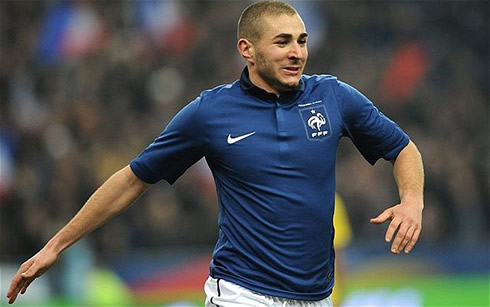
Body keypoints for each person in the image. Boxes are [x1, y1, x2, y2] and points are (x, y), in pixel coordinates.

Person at [6, 1, 424, 306]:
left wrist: (412, 200)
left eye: (301, 40)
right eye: (282, 42)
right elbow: (133, 179)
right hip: (242, 295)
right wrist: (57, 245)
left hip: (316, 298)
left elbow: (402, 148)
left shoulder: (333, 97)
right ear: (247, 49)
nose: (297, 52)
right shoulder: (210, 113)